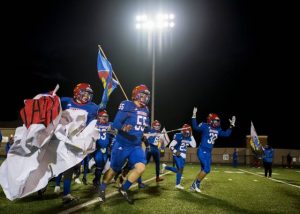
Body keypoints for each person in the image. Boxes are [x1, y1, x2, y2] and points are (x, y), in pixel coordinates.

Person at [98, 84, 151, 204]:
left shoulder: (146, 110)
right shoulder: (127, 105)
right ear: (136, 95)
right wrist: (123, 127)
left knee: (141, 167)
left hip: (136, 145)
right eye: (143, 95)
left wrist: (150, 130)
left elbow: (145, 127)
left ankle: (123, 188)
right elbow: (115, 124)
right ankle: (102, 188)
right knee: (113, 170)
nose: (145, 98)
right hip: (123, 144)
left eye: (147, 96)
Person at [54, 83, 98, 204]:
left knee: (70, 166)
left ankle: (66, 193)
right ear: (77, 92)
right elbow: (52, 108)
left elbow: (90, 125)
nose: (87, 96)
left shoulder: (92, 107)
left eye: (89, 94)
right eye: (85, 93)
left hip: (75, 140)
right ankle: (54, 187)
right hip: (60, 137)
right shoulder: (65, 101)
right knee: (53, 162)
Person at [190, 107, 235, 193]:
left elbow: (226, 134)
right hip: (202, 150)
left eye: (218, 121)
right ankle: (195, 184)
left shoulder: (218, 129)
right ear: (210, 120)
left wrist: (231, 125)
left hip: (208, 153)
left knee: (203, 169)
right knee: (207, 169)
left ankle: (195, 186)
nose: (217, 122)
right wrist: (194, 115)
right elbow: (195, 127)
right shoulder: (205, 126)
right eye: (215, 120)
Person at [162, 124, 196, 189]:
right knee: (180, 169)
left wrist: (191, 135)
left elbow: (194, 145)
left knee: (178, 170)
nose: (186, 134)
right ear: (182, 131)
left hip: (183, 156)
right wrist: (176, 152)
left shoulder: (189, 136)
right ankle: (177, 184)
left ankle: (165, 167)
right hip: (177, 155)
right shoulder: (178, 136)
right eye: (185, 133)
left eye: (188, 133)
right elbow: (170, 146)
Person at [93, 110, 114, 187]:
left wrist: (113, 131)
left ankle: (97, 179)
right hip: (97, 148)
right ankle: (97, 180)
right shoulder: (95, 124)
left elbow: (116, 131)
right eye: (103, 116)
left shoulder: (110, 124)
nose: (105, 118)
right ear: (99, 117)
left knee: (102, 165)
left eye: (106, 116)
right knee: (99, 164)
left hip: (106, 148)